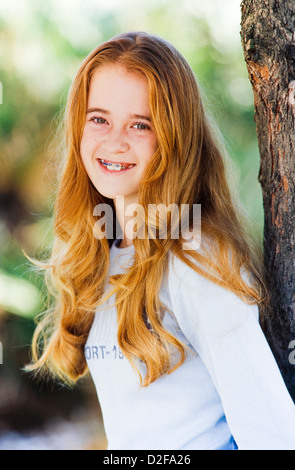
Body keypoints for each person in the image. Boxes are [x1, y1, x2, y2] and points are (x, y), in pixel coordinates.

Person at [27, 31, 295, 450]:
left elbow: (273, 433)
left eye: (141, 124)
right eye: (99, 118)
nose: (115, 140)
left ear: (174, 137)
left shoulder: (195, 257)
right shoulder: (103, 246)